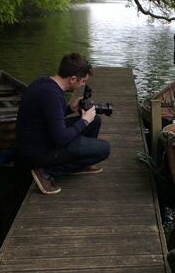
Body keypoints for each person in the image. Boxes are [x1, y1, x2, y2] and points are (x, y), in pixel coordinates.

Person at [16, 53, 111, 195]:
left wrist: (70, 108)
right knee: (104, 149)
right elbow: (60, 139)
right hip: (36, 152)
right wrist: (84, 121)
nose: (83, 85)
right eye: (83, 81)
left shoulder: (45, 83)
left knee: (95, 120)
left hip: (37, 137)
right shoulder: (52, 95)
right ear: (73, 79)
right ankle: (45, 172)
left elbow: (49, 117)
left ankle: (81, 164)